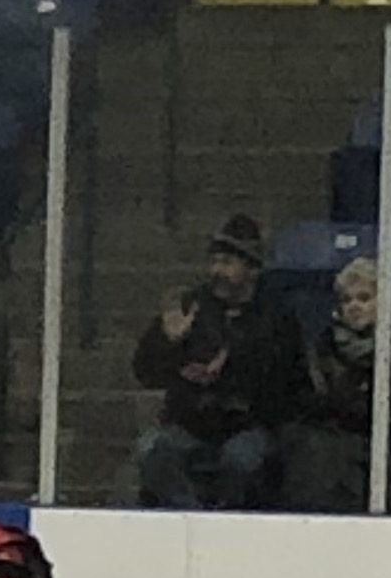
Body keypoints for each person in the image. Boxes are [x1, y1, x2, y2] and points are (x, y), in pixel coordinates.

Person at [130, 213, 308, 507]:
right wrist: (167, 342)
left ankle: (227, 519)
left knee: (242, 460)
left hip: (249, 427)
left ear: (252, 269)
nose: (217, 271)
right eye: (213, 261)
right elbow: (145, 371)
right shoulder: (191, 306)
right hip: (188, 426)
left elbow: (289, 385)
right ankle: (189, 515)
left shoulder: (276, 316)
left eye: (227, 262)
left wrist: (231, 369)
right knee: (152, 449)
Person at [298, 254, 391, 505]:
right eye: (347, 300)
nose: (354, 306)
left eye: (364, 298)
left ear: (387, 301)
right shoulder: (326, 346)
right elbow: (320, 405)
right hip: (345, 442)